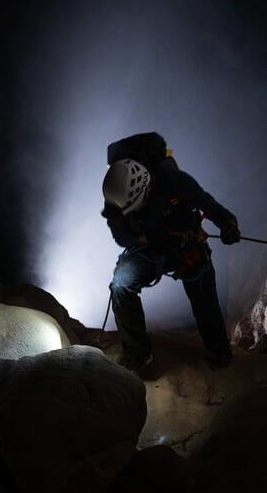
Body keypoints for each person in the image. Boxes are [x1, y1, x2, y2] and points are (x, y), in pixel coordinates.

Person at [102, 153, 241, 372]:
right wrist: (148, 239)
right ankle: (138, 354)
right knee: (121, 284)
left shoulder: (174, 182)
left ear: (145, 189)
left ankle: (219, 353)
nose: (132, 212)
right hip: (150, 251)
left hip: (188, 248)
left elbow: (208, 204)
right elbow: (122, 237)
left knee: (207, 307)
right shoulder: (117, 203)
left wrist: (228, 224)